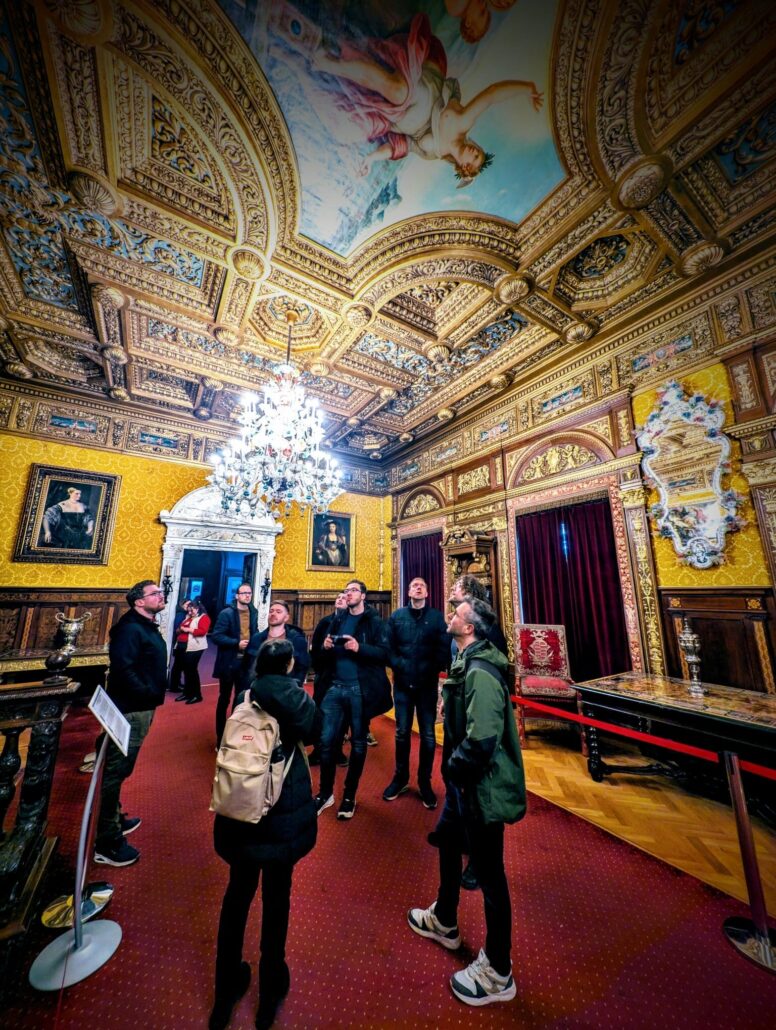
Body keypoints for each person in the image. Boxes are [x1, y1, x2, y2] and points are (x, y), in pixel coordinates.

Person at [408, 596, 525, 1007]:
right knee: (446, 842)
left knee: (491, 876)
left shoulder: (480, 670)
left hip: (480, 785)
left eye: (456, 613)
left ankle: (498, 970)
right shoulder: (464, 661)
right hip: (463, 785)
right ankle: (445, 919)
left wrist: (454, 769)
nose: (449, 615)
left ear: (470, 627)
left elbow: (483, 740)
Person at [210, 639, 321, 1030]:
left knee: (236, 897)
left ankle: (225, 990)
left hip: (241, 808)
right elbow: (316, 737)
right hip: (281, 810)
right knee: (277, 899)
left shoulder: (246, 693)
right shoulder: (298, 700)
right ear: (290, 665)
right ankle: (270, 987)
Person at [313, 13, 543, 184]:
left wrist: (371, 159)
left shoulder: (433, 154)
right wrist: (527, 88)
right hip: (419, 86)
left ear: (464, 168)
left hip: (393, 116)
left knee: (347, 129)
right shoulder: (462, 124)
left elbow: (401, 147)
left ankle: (323, 64)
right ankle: (330, 64)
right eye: (478, 153)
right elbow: (492, 94)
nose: (475, 153)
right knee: (398, 91)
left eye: (475, 161)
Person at [93, 580, 168, 867]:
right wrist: (145, 693)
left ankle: (115, 818)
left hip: (139, 706)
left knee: (119, 767)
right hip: (131, 709)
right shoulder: (130, 629)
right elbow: (123, 668)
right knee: (117, 769)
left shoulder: (144, 625)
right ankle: (108, 841)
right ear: (139, 601)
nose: (161, 595)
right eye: (155, 593)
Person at [448, 574, 509, 890]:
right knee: (461, 797)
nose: (450, 593)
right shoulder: (457, 630)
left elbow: (492, 684)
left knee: (481, 801)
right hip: (460, 727)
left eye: (455, 590)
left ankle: (480, 863)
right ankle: (465, 840)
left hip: (480, 733)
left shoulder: (487, 633)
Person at [313, 580, 391, 820]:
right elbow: (317, 656)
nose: (348, 594)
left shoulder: (375, 622)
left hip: (360, 688)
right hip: (334, 687)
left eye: (353, 590)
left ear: (364, 596)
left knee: (358, 743)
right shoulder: (335, 619)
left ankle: (349, 796)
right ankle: (325, 793)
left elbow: (385, 654)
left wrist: (361, 647)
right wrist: (325, 646)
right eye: (346, 590)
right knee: (325, 741)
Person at [383, 577, 449, 810]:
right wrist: (400, 665)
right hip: (402, 684)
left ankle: (424, 782)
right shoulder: (397, 617)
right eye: (413, 585)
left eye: (422, 585)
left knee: (428, 736)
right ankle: (400, 778)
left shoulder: (437, 618)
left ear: (427, 593)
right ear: (408, 592)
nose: (418, 587)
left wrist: (429, 669)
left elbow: (443, 649)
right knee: (401, 733)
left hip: (426, 686)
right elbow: (388, 647)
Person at [211, 582, 259, 747]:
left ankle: (235, 734)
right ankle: (220, 737)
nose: (247, 595)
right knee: (224, 699)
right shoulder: (227, 613)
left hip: (246, 663)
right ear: (237, 596)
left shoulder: (254, 611)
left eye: (249, 593)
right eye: (243, 593)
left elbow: (255, 631)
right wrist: (236, 643)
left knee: (241, 700)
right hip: (229, 662)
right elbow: (216, 636)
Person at [308, 593, 350, 768]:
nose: (340, 599)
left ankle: (337, 750)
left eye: (344, 598)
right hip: (325, 675)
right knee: (320, 713)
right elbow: (315, 649)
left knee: (343, 717)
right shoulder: (324, 622)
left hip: (344, 676)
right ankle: (318, 750)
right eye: (338, 598)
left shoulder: (353, 623)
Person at [239, 600, 310, 692]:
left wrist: (294, 689)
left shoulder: (296, 640)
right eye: (271, 611)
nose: (273, 614)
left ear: (286, 617)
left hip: (284, 691)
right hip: (258, 689)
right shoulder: (256, 639)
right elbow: (246, 666)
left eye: (278, 612)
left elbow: (302, 668)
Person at [172, 600, 210, 704]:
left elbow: (202, 632)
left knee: (191, 671)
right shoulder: (187, 617)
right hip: (182, 646)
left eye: (191, 610)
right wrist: (180, 630)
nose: (189, 613)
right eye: (188, 611)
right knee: (186, 671)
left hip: (195, 647)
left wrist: (188, 630)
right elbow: (179, 629)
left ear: (198, 608)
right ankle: (187, 693)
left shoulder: (203, 617)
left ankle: (197, 695)